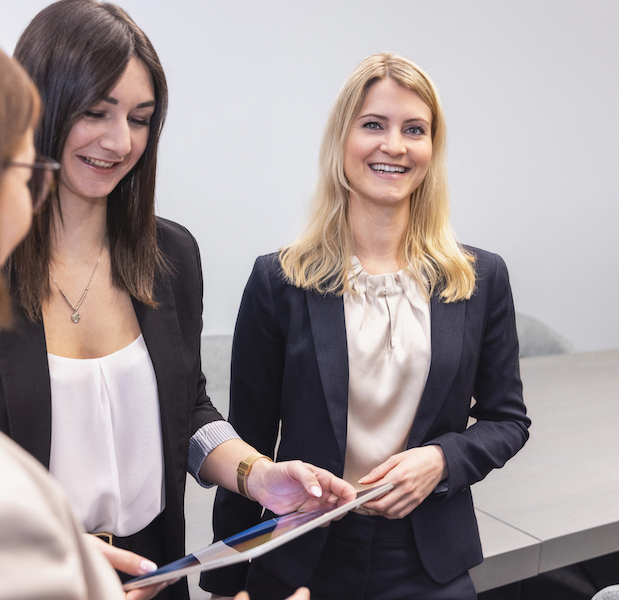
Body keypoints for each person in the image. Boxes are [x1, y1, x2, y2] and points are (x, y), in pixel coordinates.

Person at [0, 3, 354, 600]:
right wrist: (49, 549)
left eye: (140, 119)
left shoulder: (170, 255)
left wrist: (258, 475)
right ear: (41, 106)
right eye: (96, 112)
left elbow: (187, 412)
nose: (119, 141)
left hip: (156, 575)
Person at [204, 52, 531, 600]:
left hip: (428, 560)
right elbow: (250, 443)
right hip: (305, 555)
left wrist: (442, 458)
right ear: (342, 141)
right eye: (374, 125)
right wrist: (225, 581)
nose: (395, 146)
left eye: (415, 130)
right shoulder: (279, 281)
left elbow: (507, 419)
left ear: (432, 148)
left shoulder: (480, 278)